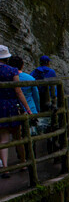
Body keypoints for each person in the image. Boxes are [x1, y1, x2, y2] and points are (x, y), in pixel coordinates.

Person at [0, 45, 34, 177]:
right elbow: (18, 91)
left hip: (0, 106)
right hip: (12, 105)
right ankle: (23, 162)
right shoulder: (12, 71)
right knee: (17, 136)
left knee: (3, 139)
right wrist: (27, 109)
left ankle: (5, 168)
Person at [31, 53, 57, 131]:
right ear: (48, 62)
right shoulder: (51, 72)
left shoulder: (35, 71)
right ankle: (51, 131)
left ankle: (40, 129)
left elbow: (31, 79)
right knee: (52, 114)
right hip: (49, 97)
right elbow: (54, 84)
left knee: (40, 114)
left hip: (38, 96)